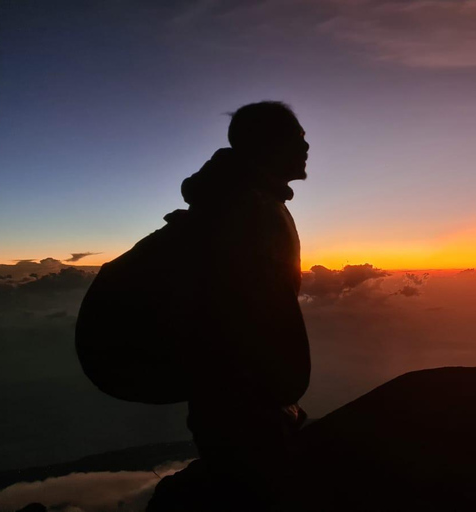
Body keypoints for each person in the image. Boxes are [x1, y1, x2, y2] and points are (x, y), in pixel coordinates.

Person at [147, 101, 311, 511]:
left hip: (235, 406)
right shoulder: (244, 211)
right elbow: (239, 319)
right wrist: (267, 406)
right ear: (268, 145)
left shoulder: (239, 201)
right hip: (240, 411)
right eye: (297, 136)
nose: (306, 144)